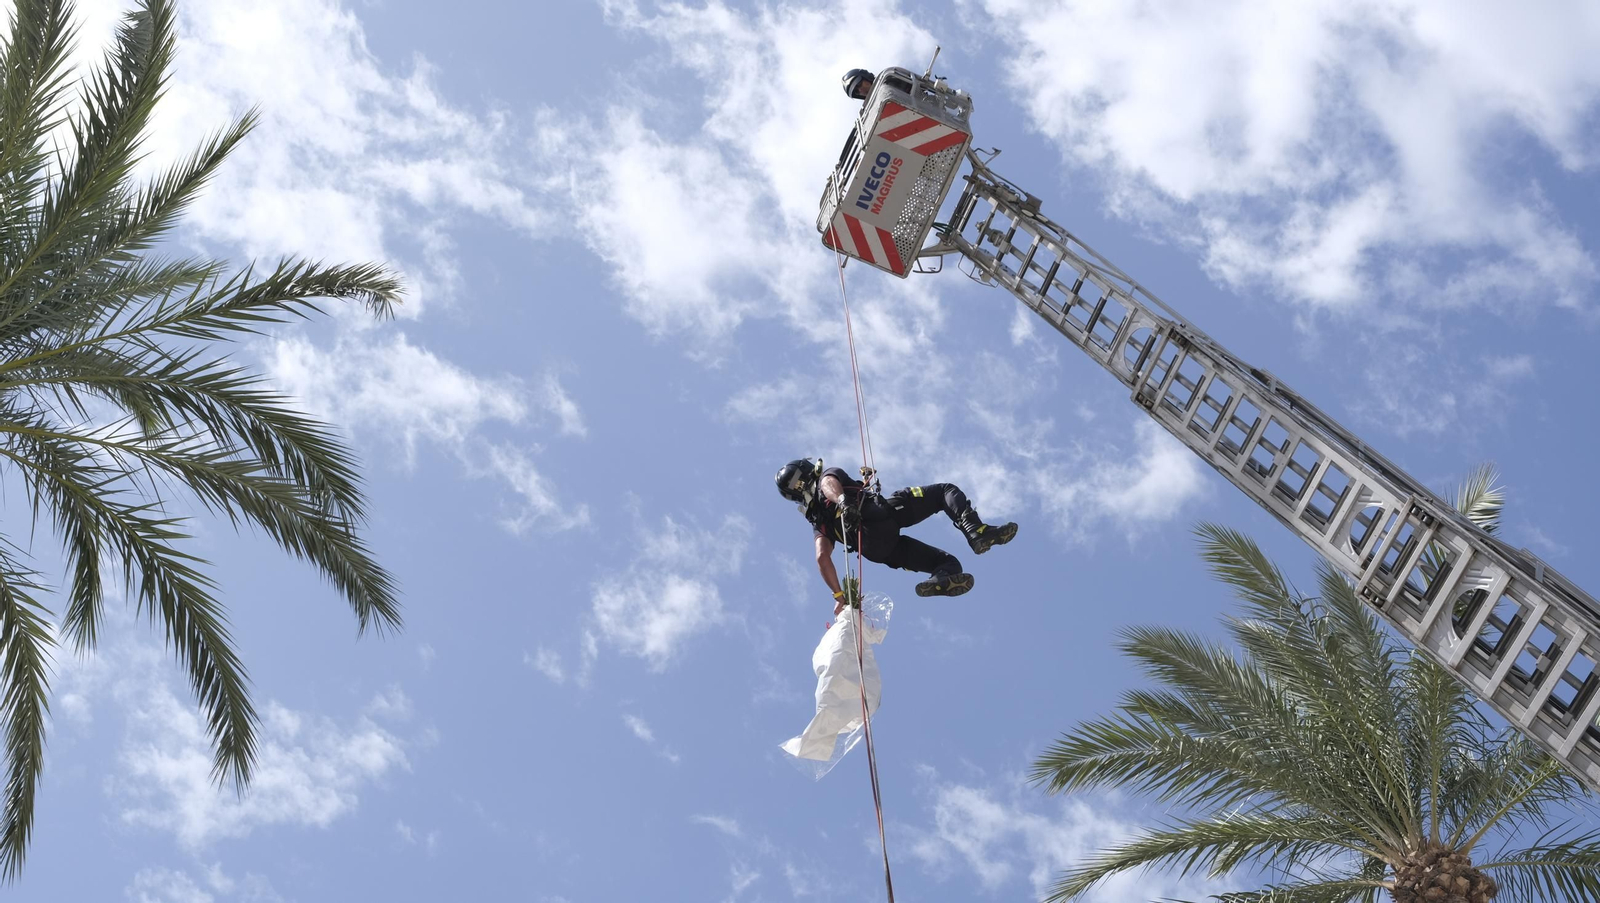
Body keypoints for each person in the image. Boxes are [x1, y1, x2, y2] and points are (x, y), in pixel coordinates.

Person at [775, 459, 1018, 613]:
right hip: (878, 515)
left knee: (950, 564)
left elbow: (821, 558)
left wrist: (840, 595)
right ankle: (977, 532)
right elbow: (828, 483)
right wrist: (843, 501)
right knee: (945, 491)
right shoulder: (827, 478)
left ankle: (940, 579)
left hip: (878, 550)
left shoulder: (817, 520)